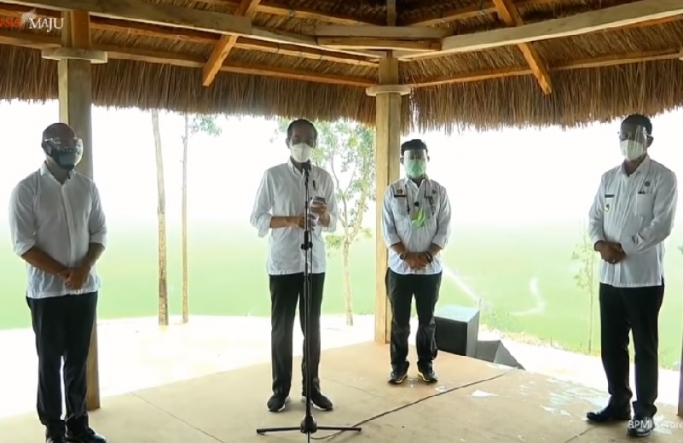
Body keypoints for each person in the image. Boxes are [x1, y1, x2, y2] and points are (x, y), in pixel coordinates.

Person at [8, 123, 107, 443]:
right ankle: (54, 427)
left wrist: (84, 268)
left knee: (78, 358)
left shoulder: (88, 188)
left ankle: (78, 423)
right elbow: (23, 245)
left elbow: (99, 234)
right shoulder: (26, 190)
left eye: (73, 143)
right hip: (46, 293)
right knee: (49, 360)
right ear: (47, 148)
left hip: (85, 289)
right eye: (63, 144)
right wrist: (66, 272)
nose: (71, 149)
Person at [586, 114, 677, 438]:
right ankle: (618, 402)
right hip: (610, 278)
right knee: (612, 345)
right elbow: (594, 217)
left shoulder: (665, 178)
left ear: (649, 140)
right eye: (623, 135)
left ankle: (644, 413)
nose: (628, 140)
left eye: (635, 135)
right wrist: (600, 245)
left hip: (643, 280)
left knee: (645, 347)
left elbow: (661, 225)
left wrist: (624, 247)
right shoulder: (608, 178)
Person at [250, 118, 338, 413]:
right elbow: (258, 218)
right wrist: (289, 220)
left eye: (309, 140)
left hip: (314, 264)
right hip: (284, 263)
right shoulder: (272, 176)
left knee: (311, 329)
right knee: (282, 330)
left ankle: (311, 388)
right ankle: (280, 390)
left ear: (315, 144)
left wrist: (324, 215)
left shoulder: (324, 178)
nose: (303, 144)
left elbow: (334, 223)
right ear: (287, 142)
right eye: (297, 139)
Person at [381, 139, 452, 385]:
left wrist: (428, 255)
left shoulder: (439, 192)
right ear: (403, 161)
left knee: (427, 321)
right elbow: (388, 230)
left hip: (430, 270)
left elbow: (444, 229)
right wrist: (406, 256)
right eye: (411, 158)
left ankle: (426, 365)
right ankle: (398, 367)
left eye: (420, 157)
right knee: (399, 322)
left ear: (427, 159)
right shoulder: (392, 192)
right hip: (400, 269)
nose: (416, 162)